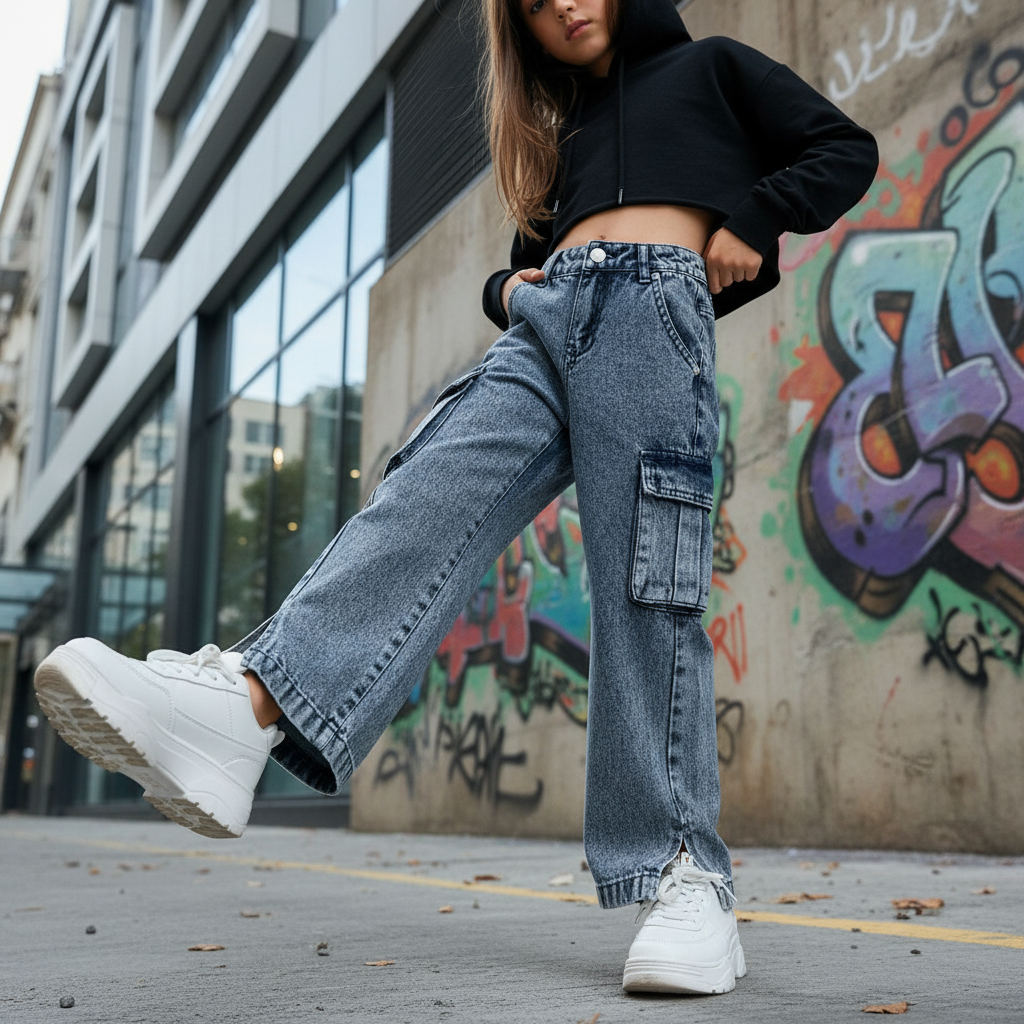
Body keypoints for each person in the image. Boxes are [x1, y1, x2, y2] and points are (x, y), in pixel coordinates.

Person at [33, 0, 877, 997]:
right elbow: (525, 258)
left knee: (647, 588)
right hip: (549, 322)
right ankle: (245, 711)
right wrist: (507, 293)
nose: (564, 7)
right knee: (423, 493)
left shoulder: (714, 69)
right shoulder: (561, 135)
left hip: (655, 308)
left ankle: (686, 875)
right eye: (536, 5)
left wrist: (754, 219)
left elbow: (843, 148)